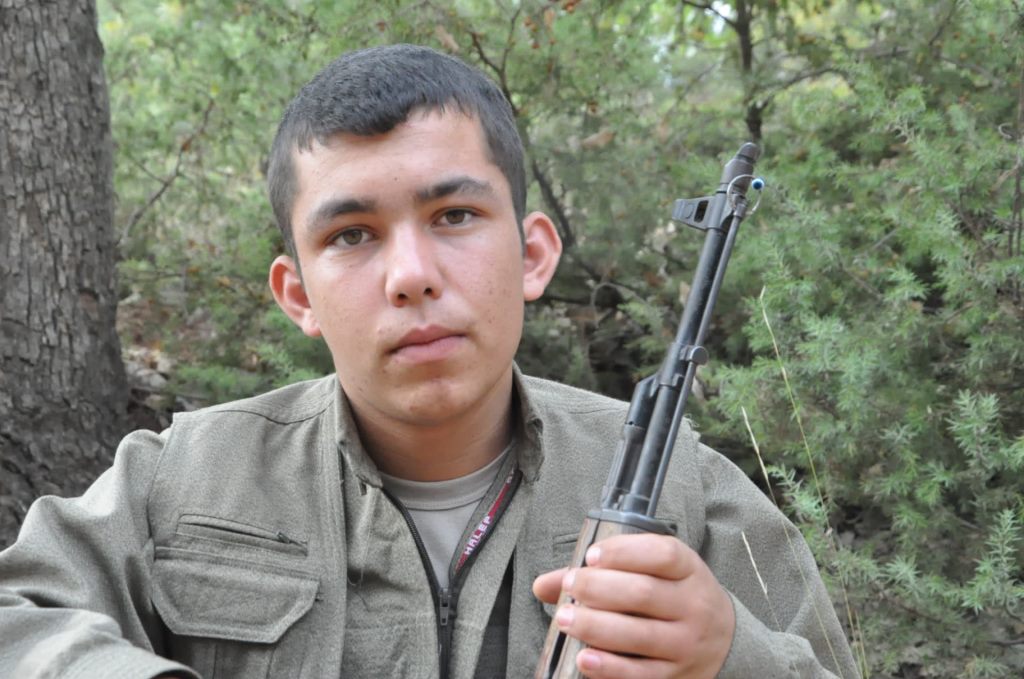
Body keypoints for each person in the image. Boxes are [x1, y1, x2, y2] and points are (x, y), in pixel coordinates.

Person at [0, 44, 858, 679]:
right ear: (298, 293)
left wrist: (729, 654)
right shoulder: (183, 477)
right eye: (352, 235)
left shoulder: (688, 493)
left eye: (453, 216)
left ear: (532, 254)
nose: (410, 275)